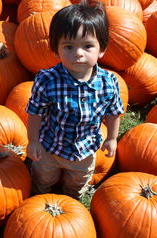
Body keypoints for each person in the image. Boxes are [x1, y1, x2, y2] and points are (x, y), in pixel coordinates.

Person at [25, 1, 124, 199]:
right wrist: (33, 141)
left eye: (87, 46)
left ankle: (72, 198)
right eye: (68, 46)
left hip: (85, 150)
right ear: (56, 49)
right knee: (43, 177)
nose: (78, 53)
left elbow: (113, 112)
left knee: (77, 182)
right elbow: (35, 112)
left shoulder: (108, 82)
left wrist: (112, 138)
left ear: (101, 49)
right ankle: (38, 196)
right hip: (50, 147)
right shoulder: (48, 80)